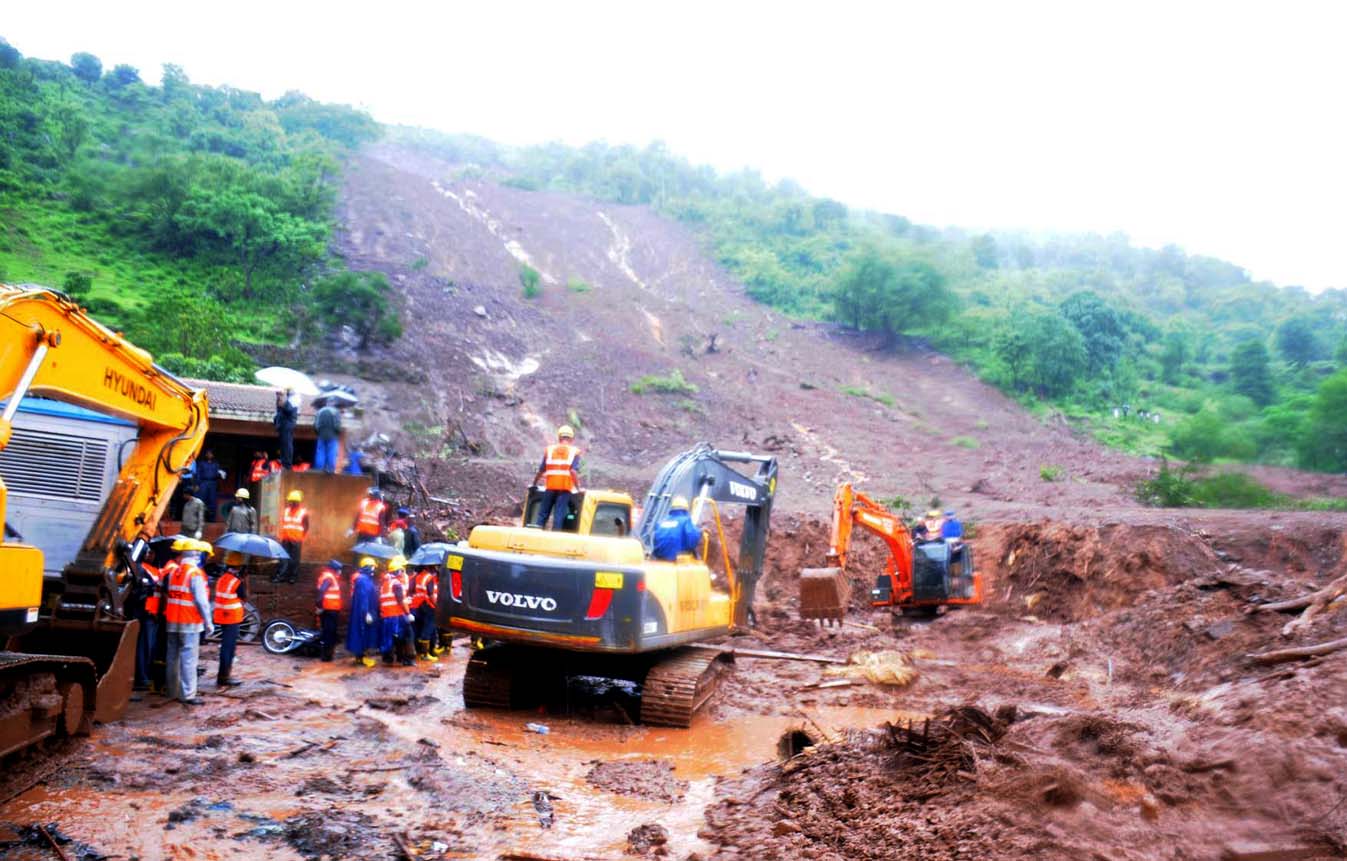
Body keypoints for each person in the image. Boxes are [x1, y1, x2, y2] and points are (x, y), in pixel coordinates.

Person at [163, 539, 215, 704]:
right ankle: (188, 694)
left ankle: (172, 691)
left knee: (172, 658)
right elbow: (201, 601)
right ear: (196, 555)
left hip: (172, 622)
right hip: (190, 623)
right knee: (189, 659)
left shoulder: (173, 573)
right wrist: (208, 623)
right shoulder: (195, 574)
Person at [531, 425, 582, 530]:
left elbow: (541, 470)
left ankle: (535, 536)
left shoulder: (549, 450)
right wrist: (578, 489)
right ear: (571, 439)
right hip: (564, 490)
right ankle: (555, 539)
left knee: (542, 515)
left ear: (559, 437)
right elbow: (573, 471)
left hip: (550, 488)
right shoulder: (574, 452)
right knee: (558, 516)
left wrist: (534, 484)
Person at [212, 551, 248, 687]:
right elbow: (245, 597)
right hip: (232, 617)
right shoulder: (236, 581)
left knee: (225, 647)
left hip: (221, 615)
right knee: (229, 647)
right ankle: (224, 677)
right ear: (239, 566)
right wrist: (245, 581)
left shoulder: (222, 578)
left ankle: (224, 675)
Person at [132, 552, 163, 693]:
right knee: (144, 646)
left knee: (149, 647)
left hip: (153, 613)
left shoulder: (154, 569)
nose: (151, 555)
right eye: (149, 552)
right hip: (146, 613)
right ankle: (141, 677)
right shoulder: (140, 568)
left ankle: (145, 675)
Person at [379, 556, 415, 666]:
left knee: (390, 637)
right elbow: (400, 600)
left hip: (387, 615)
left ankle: (388, 658)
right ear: (398, 570)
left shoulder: (385, 583)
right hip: (398, 615)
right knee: (407, 636)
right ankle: (407, 659)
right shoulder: (396, 584)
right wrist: (408, 613)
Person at [346, 557, 381, 668]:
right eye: (372, 567)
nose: (373, 569)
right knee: (362, 634)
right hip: (363, 612)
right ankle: (361, 659)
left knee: (365, 634)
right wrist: (366, 613)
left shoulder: (365, 579)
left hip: (365, 611)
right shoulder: (363, 580)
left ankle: (361, 657)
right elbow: (363, 598)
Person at [652, 496, 702, 561]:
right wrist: (700, 532)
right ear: (686, 509)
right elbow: (692, 539)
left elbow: (655, 539)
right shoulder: (685, 521)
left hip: (660, 558)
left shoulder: (661, 522)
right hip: (677, 559)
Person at [277, 490, 309, 584]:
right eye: (290, 501)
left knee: (295, 559)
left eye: (292, 501)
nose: (291, 503)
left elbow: (306, 526)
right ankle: (281, 576)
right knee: (283, 558)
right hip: (286, 538)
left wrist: (301, 537)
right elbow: (284, 523)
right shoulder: (286, 511)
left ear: (297, 502)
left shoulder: (303, 513)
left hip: (296, 539)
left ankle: (293, 577)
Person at [315, 560, 343, 662]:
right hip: (329, 609)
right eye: (339, 569)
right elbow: (322, 591)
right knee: (329, 633)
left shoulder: (328, 576)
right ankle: (326, 656)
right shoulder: (329, 577)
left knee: (328, 632)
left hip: (329, 609)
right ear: (335, 569)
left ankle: (327, 654)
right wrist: (319, 606)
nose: (340, 572)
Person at [410, 564, 439, 662]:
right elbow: (431, 594)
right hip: (429, 605)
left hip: (420, 605)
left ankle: (425, 651)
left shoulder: (419, 576)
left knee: (423, 628)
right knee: (428, 628)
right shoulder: (429, 577)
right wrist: (437, 606)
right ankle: (424, 654)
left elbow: (413, 590)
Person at [313, 402, 343, 473]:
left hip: (321, 435)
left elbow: (315, 425)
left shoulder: (320, 411)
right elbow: (337, 426)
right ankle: (330, 469)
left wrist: (318, 433)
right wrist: (338, 432)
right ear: (333, 404)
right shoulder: (336, 412)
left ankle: (319, 469)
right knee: (331, 452)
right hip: (332, 436)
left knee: (320, 452)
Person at [273, 389, 299, 470]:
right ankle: (284, 461)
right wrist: (278, 398)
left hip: (288, 424)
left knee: (287, 444)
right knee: (283, 444)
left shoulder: (295, 398)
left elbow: (289, 410)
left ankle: (287, 464)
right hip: (282, 424)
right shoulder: (286, 399)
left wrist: (281, 399)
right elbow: (279, 409)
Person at [195, 451, 224, 522]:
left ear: (213, 455)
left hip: (213, 483)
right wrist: (197, 484)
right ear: (205, 455)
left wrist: (221, 474)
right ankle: (199, 519)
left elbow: (219, 474)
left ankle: (211, 519)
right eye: (207, 453)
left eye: (210, 454)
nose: (209, 455)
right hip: (203, 482)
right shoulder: (201, 463)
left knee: (212, 501)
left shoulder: (216, 464)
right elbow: (198, 474)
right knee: (201, 500)